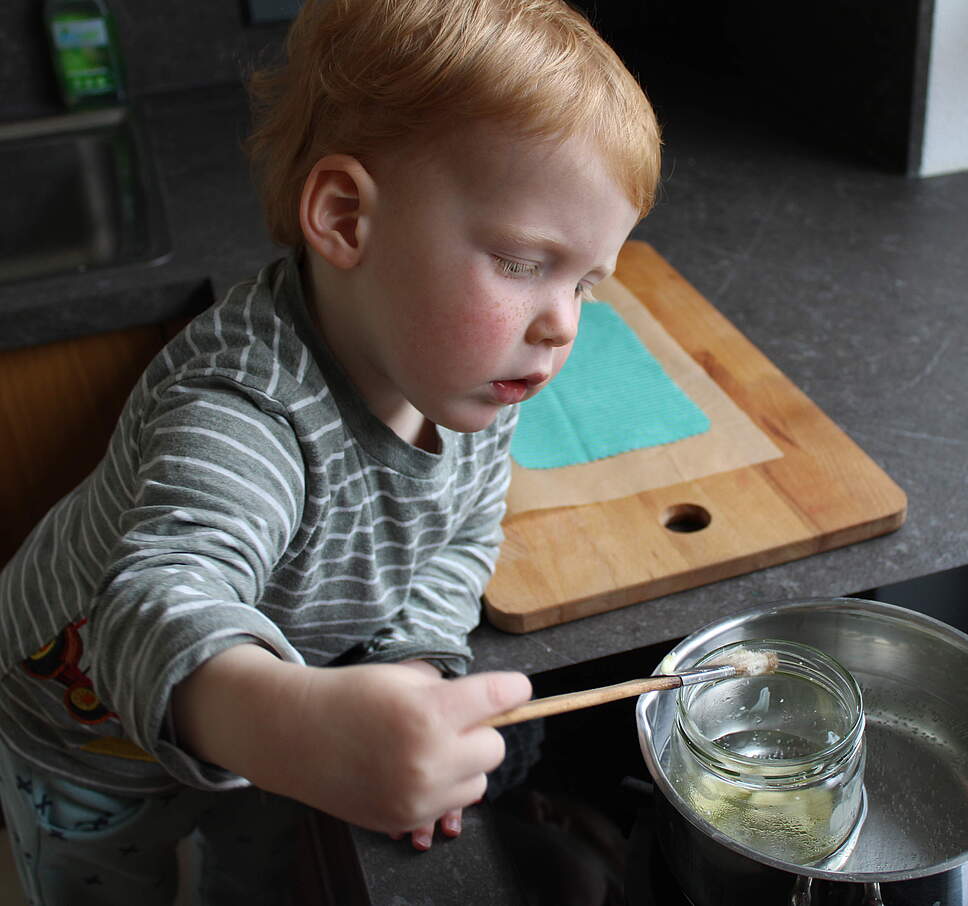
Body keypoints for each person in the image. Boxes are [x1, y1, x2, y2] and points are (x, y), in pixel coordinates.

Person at [0, 0, 661, 902]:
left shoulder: (467, 378)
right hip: (84, 739)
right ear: (346, 216)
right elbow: (152, 609)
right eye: (521, 262)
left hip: (285, 705)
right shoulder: (243, 410)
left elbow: (460, 538)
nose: (559, 326)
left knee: (265, 873)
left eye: (586, 282)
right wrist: (309, 735)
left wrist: (414, 673)